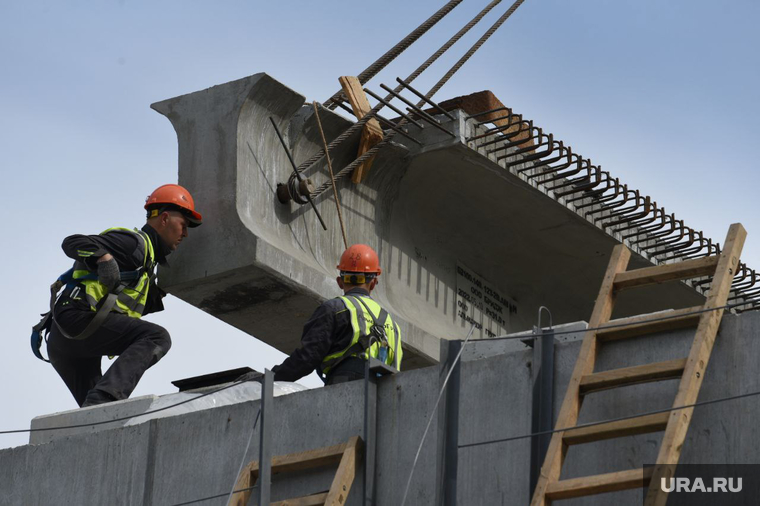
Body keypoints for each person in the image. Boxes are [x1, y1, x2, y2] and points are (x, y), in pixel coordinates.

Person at [46, 184, 202, 407]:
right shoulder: (132, 244)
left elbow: (132, 306)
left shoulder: (146, 267)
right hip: (76, 319)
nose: (185, 234)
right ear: (165, 218)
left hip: (64, 343)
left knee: (96, 413)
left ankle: (103, 409)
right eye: (183, 225)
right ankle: (109, 398)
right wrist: (103, 258)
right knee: (157, 338)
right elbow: (71, 242)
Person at [271, 244, 402, 385]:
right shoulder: (393, 326)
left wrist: (269, 379)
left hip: (345, 389)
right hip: (383, 397)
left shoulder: (335, 309)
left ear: (340, 282)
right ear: (374, 283)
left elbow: (307, 358)